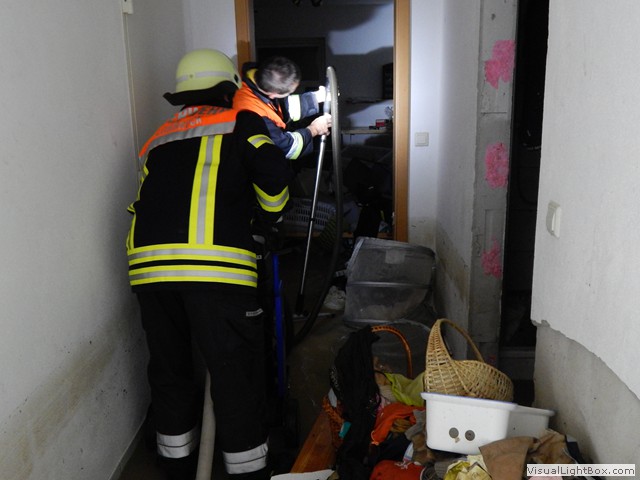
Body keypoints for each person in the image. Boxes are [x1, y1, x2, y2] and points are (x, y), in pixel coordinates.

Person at [126, 48, 294, 480]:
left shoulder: (158, 136)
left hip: (150, 270)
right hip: (218, 271)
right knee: (234, 373)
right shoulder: (241, 121)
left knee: (169, 370)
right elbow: (274, 175)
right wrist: (269, 218)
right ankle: (247, 469)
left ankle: (175, 464)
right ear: (228, 89)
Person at [233, 55, 331, 161]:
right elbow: (286, 148)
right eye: (289, 93)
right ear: (273, 95)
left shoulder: (256, 83)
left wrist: (317, 97)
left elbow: (284, 108)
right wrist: (315, 129)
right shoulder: (254, 115)